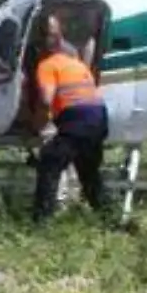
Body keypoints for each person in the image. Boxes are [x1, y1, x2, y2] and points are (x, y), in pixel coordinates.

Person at [30, 13, 110, 222]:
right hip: (99, 118)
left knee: (49, 163)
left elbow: (47, 100)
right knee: (88, 171)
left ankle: (41, 220)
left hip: (78, 120)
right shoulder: (75, 63)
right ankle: (109, 217)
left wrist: (38, 123)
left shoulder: (47, 65)